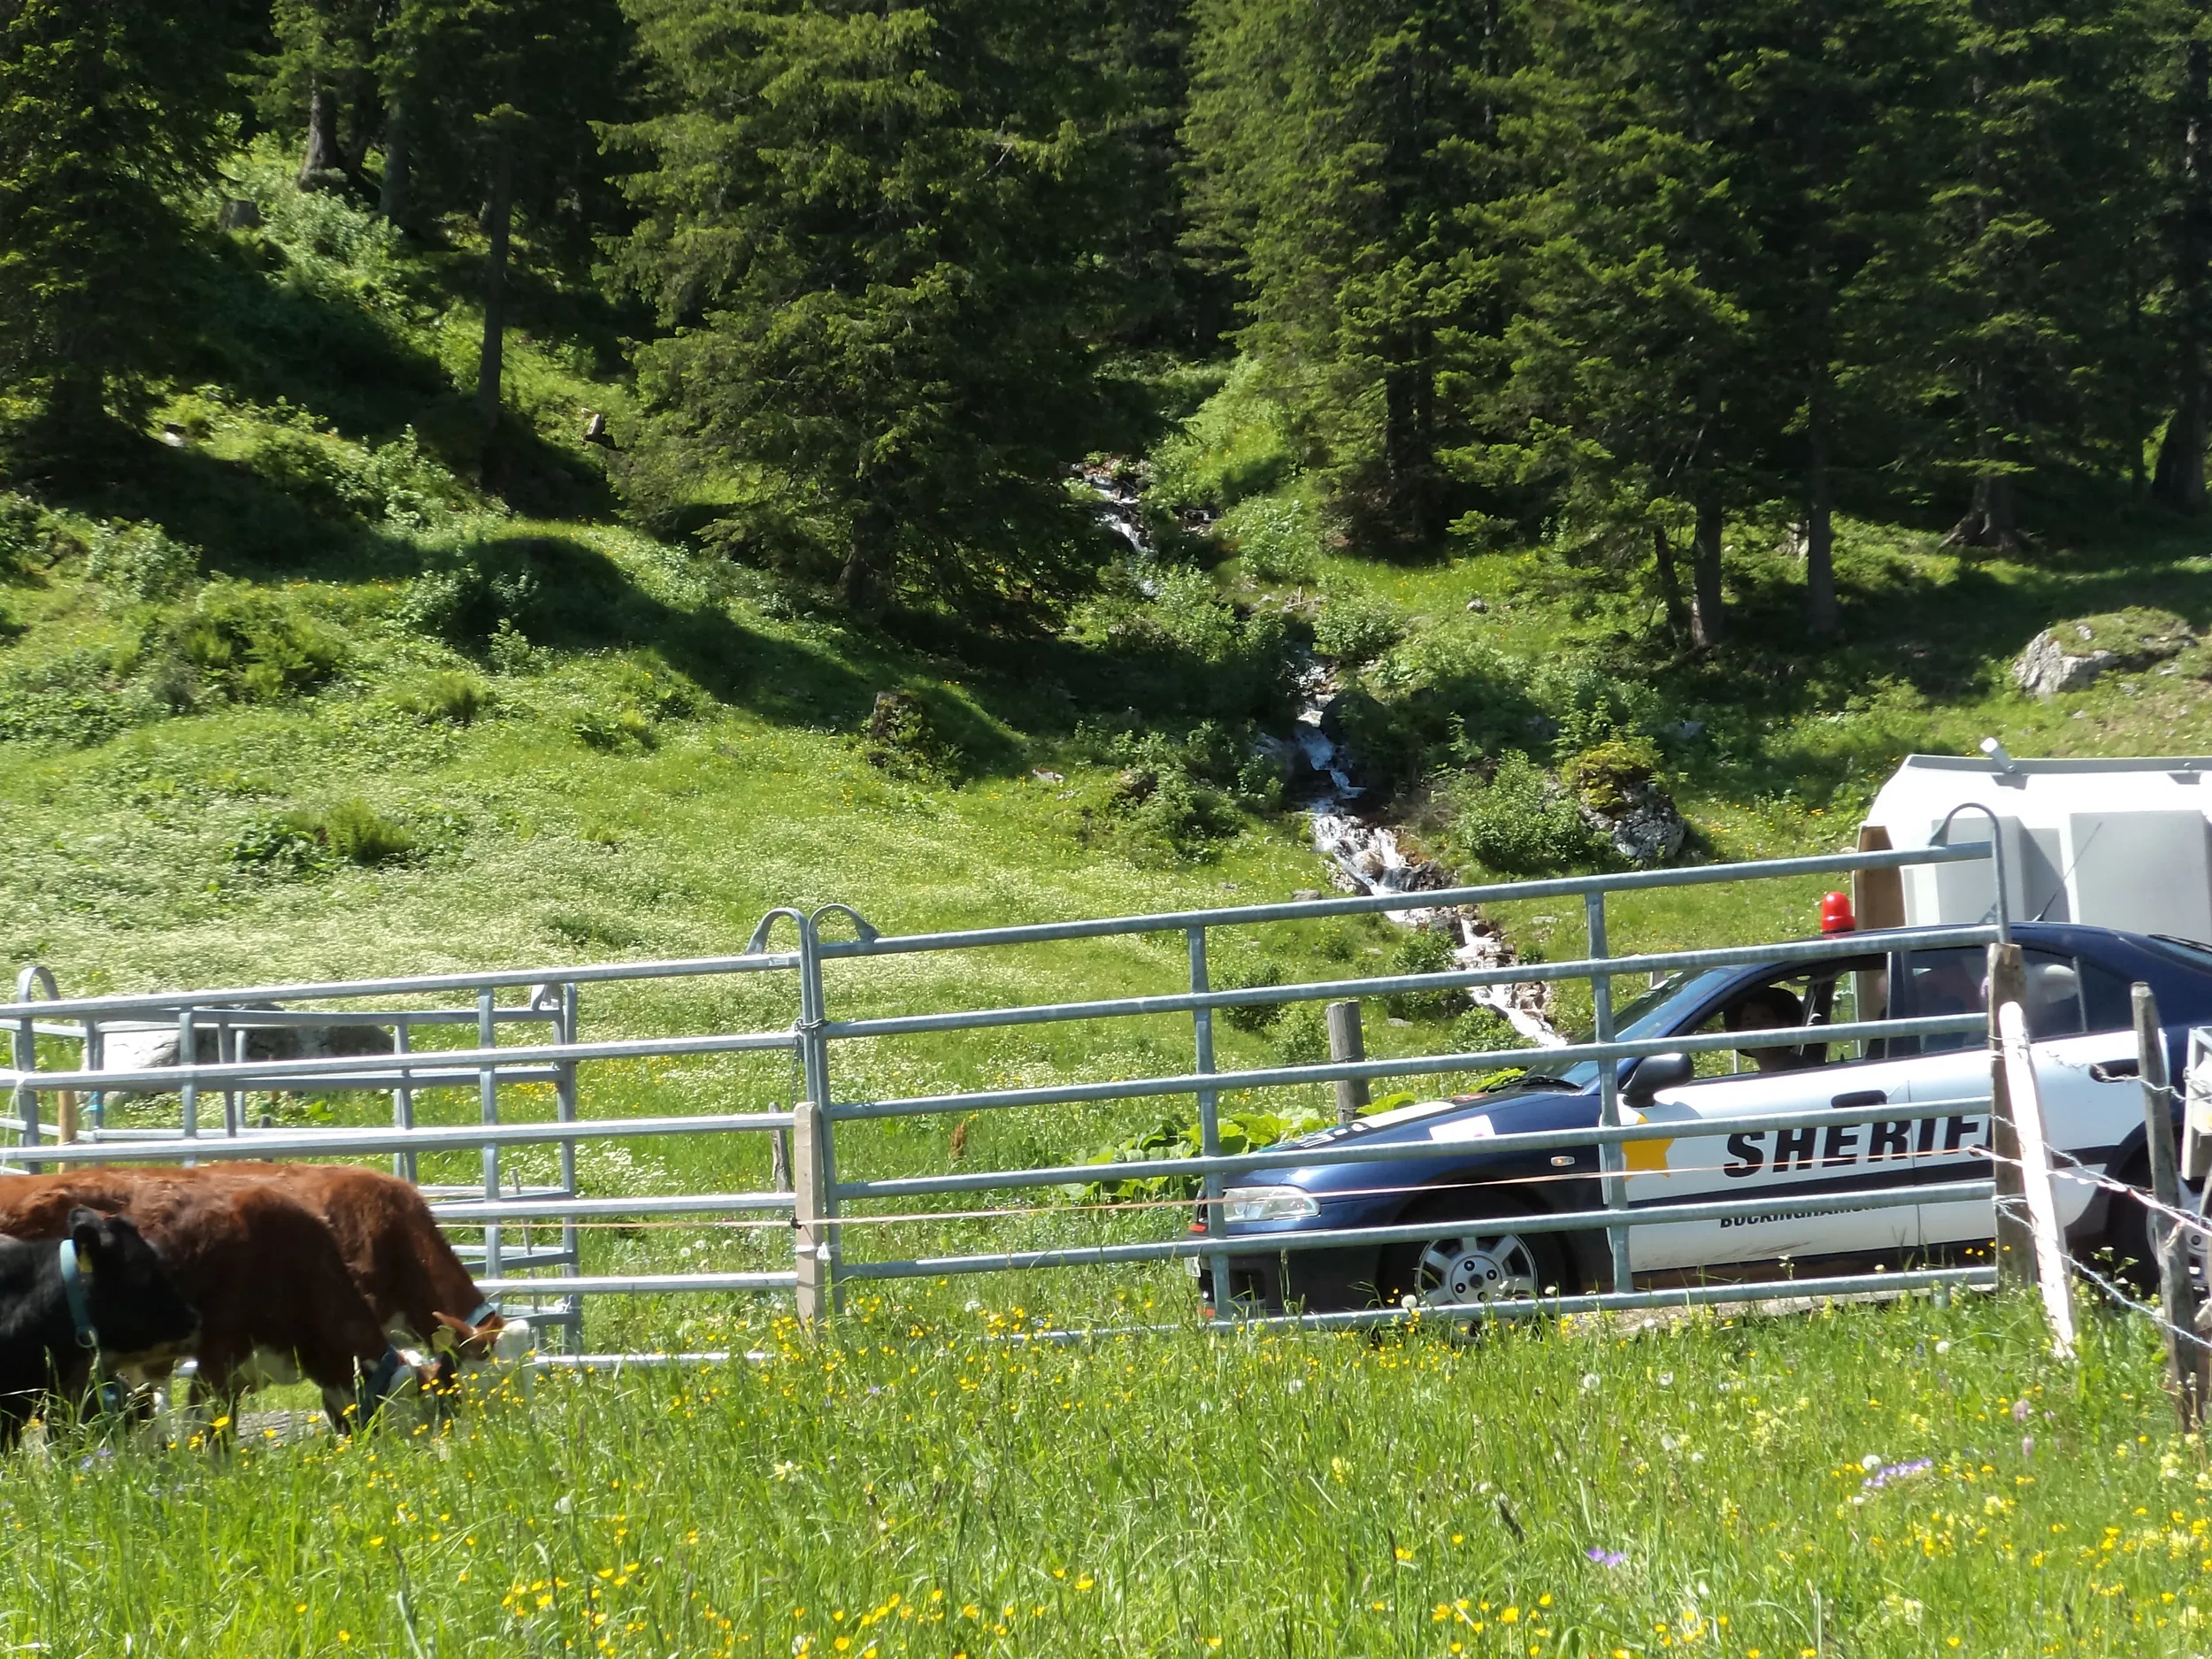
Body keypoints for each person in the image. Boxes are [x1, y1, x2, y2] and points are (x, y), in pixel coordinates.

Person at [1722, 984, 1820, 1073]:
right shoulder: (1775, 1072)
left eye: (1765, 1019)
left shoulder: (1796, 1074)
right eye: (1748, 1021)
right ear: (1739, 1031)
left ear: (1784, 1027)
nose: (1756, 1027)